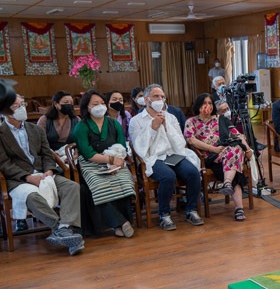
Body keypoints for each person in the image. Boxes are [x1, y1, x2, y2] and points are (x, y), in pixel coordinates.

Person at [0, 95, 84, 255]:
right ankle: (60, 229)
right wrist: (27, 177)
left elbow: (47, 154)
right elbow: (4, 163)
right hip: (18, 179)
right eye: (16, 106)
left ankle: (64, 228)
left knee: (72, 187)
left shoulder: (36, 130)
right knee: (32, 197)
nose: (21, 108)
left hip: (43, 173)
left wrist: (50, 170)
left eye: (22, 104)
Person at [129, 84, 203, 231]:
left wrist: (166, 127)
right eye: (156, 96)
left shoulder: (171, 117)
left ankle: (191, 210)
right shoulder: (136, 120)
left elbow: (180, 142)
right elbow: (139, 147)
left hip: (173, 154)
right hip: (152, 158)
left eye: (162, 97)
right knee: (168, 176)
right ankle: (164, 215)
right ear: (146, 99)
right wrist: (152, 127)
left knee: (193, 172)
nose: (160, 99)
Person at [71, 90, 136, 238]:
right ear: (87, 107)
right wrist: (109, 161)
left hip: (116, 161)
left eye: (102, 103)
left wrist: (116, 163)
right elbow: (87, 153)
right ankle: (122, 223)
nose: (99, 106)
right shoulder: (81, 127)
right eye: (95, 104)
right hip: (92, 164)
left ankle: (119, 224)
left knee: (124, 182)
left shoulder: (113, 123)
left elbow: (122, 146)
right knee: (100, 187)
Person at [185, 93, 252, 222]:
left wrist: (248, 150)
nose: (207, 106)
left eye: (210, 103)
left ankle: (227, 184)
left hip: (228, 154)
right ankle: (238, 207)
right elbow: (191, 141)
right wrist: (213, 149)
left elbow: (238, 136)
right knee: (235, 163)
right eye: (204, 103)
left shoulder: (221, 119)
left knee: (236, 148)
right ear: (198, 105)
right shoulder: (191, 121)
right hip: (209, 157)